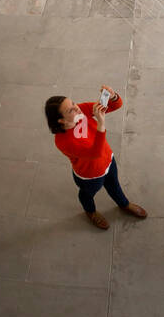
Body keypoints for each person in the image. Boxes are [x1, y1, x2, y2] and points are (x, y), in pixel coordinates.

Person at [44, 85, 147, 229]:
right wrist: (101, 124)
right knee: (87, 194)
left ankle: (124, 204)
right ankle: (90, 212)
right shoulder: (63, 141)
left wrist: (112, 97)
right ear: (61, 120)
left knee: (114, 185)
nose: (77, 108)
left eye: (73, 103)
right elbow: (94, 153)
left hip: (108, 161)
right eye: (70, 110)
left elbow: (115, 105)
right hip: (90, 175)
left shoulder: (81, 110)